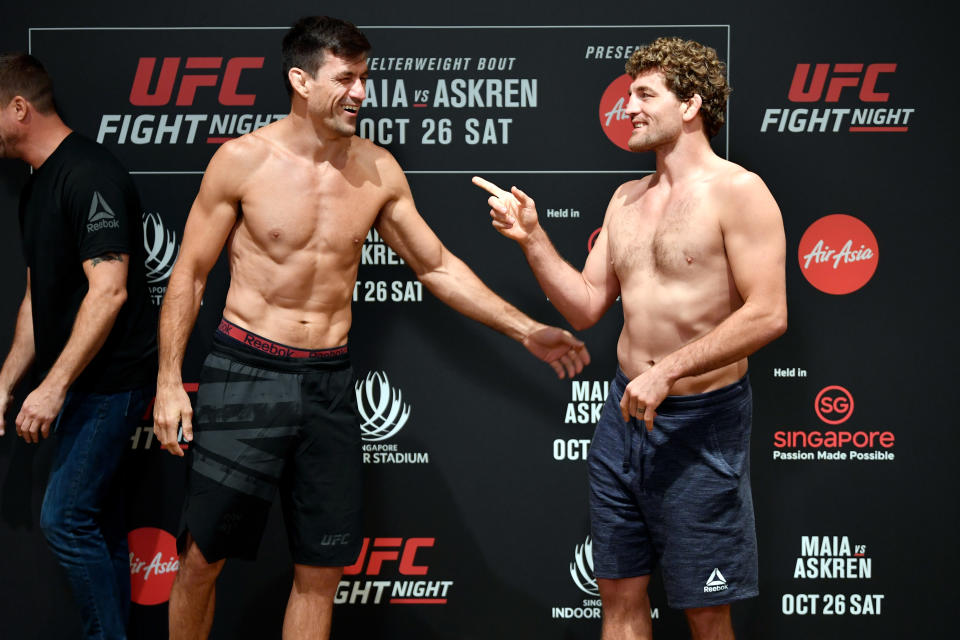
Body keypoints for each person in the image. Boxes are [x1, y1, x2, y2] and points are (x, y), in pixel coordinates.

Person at [151, 16, 590, 640]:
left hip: (327, 382)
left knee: (322, 569)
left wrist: (525, 330)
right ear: (300, 80)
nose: (361, 93)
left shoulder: (378, 170)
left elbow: (436, 266)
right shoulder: (242, 162)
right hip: (246, 371)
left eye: (365, 78)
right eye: (346, 78)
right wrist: (169, 381)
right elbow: (190, 275)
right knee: (202, 558)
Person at [475, 37, 787, 640]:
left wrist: (668, 370)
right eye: (628, 96)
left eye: (646, 94)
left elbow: (768, 314)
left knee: (706, 611)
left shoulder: (739, 192)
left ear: (692, 103)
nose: (630, 108)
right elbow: (588, 306)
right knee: (618, 599)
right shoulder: (626, 198)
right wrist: (533, 239)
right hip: (624, 417)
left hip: (701, 422)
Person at [0, 53, 157, 639]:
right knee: (97, 527)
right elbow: (37, 301)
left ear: (19, 109)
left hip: (111, 383)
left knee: (65, 520)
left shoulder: (88, 174)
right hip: (83, 381)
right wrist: (7, 382)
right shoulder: (36, 186)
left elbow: (109, 292)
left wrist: (52, 387)